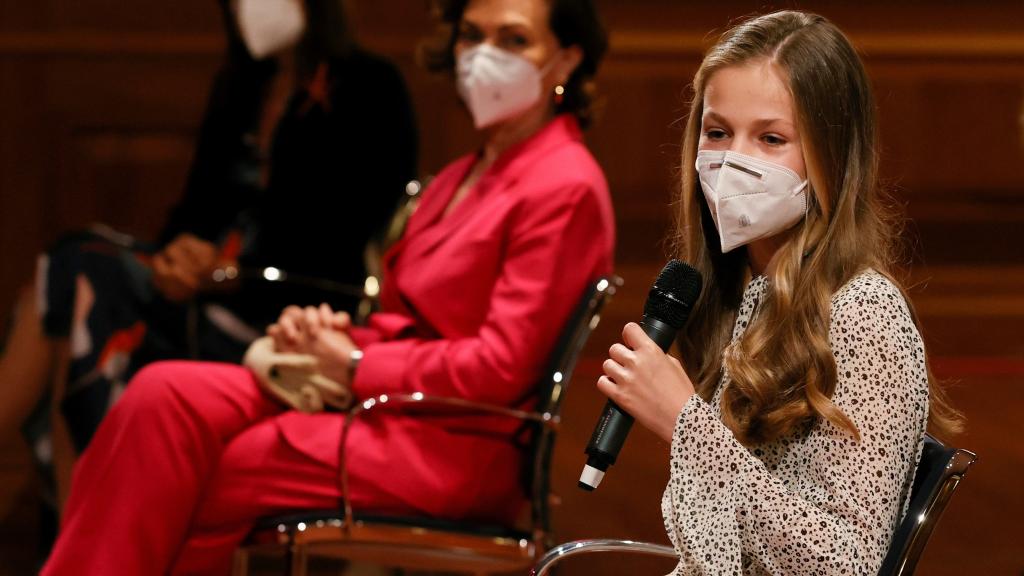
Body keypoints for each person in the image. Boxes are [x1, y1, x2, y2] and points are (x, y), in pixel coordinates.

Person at [41, 0, 613, 573]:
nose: (484, 55)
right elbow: (407, 320)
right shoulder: (467, 171)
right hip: (384, 406)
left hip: (452, 444)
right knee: (159, 397)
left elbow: (500, 367)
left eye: (514, 40)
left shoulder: (563, 185)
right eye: (471, 35)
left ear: (564, 60)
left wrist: (355, 361)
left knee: (219, 467)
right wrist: (325, 337)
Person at [0, 0, 417, 514]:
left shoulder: (370, 87)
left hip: (287, 314)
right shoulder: (242, 85)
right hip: (200, 294)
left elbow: (342, 238)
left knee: (78, 283)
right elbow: (194, 212)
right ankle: (81, 532)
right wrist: (179, 256)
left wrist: (226, 275)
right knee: (72, 266)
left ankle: (76, 532)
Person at [596, 11, 962, 575]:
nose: (734, 161)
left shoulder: (866, 314)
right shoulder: (740, 295)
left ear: (833, 158)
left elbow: (849, 564)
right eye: (717, 133)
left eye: (771, 139)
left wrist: (685, 424)